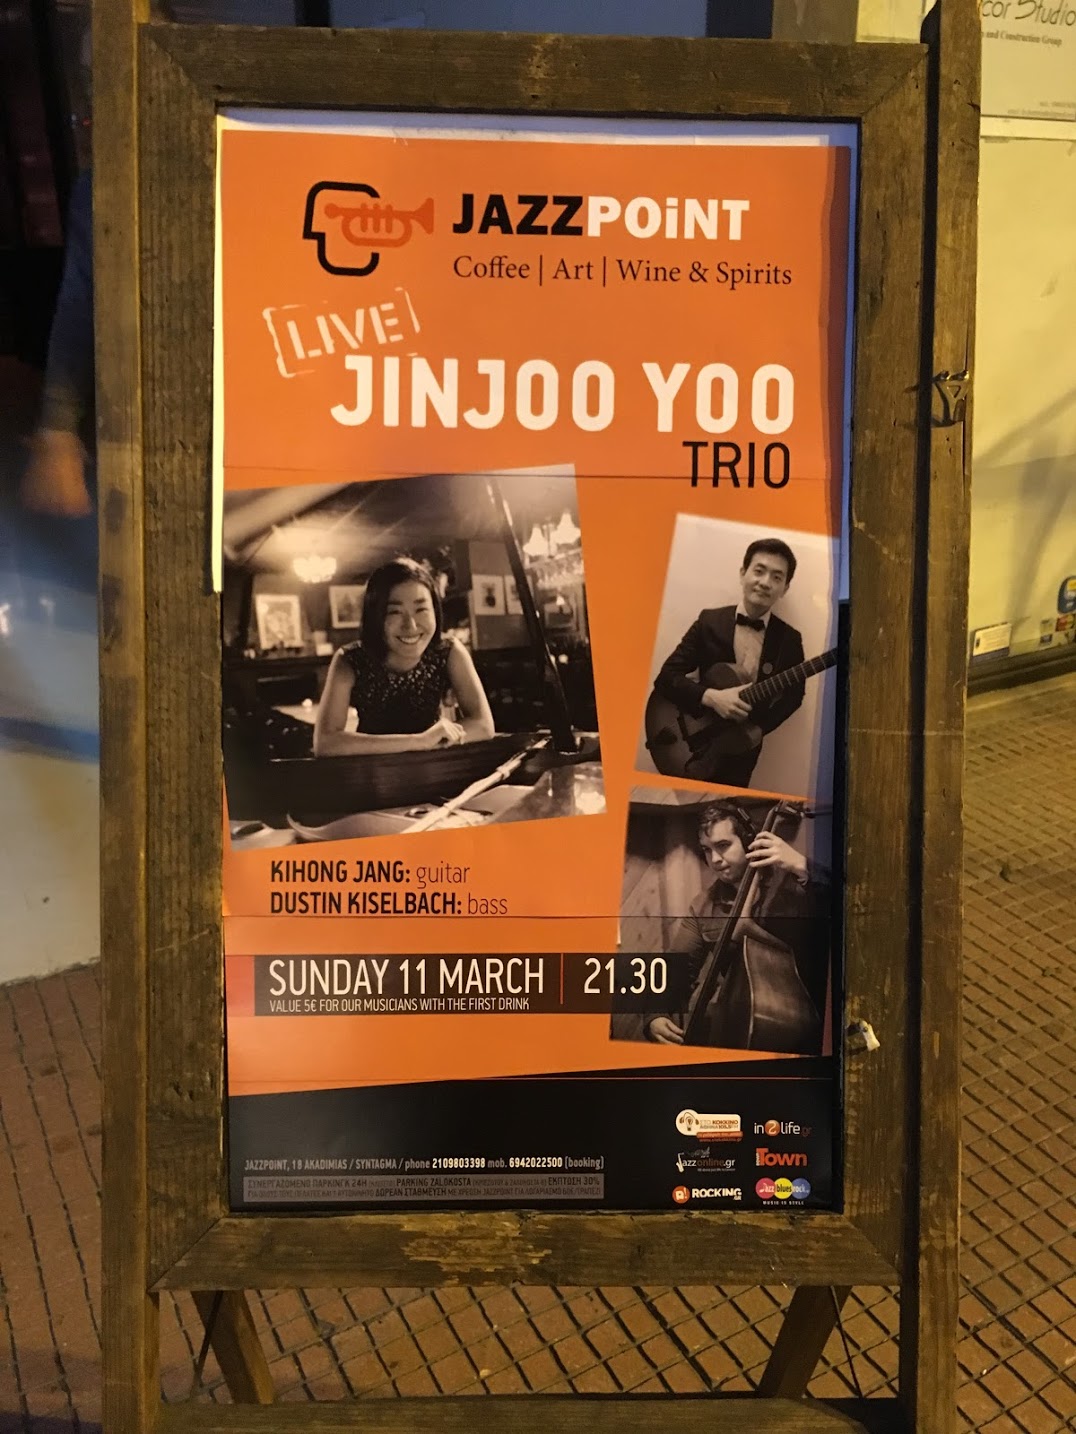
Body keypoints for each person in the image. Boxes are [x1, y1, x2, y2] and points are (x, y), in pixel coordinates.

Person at [643, 799, 828, 1053]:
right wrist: (654, 1015)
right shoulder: (703, 905)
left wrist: (803, 866)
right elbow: (674, 968)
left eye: (723, 846)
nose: (715, 859)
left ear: (748, 841)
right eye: (706, 850)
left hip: (808, 1025)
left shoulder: (794, 885)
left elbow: (848, 907)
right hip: (736, 1027)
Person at [652, 537, 805, 789]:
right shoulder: (709, 621)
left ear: (785, 588)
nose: (765, 582)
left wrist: (758, 729)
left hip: (741, 752)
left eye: (777, 577)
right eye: (759, 571)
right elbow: (666, 677)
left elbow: (794, 697)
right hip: (691, 736)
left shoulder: (790, 640)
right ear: (743, 573)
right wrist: (711, 697)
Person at [313, 557, 495, 756]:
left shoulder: (448, 650)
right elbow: (326, 743)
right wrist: (419, 741)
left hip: (434, 765)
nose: (411, 626)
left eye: (421, 609)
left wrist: (430, 742)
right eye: (395, 612)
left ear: (435, 611)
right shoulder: (349, 659)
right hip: (373, 769)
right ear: (375, 617)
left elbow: (483, 725)